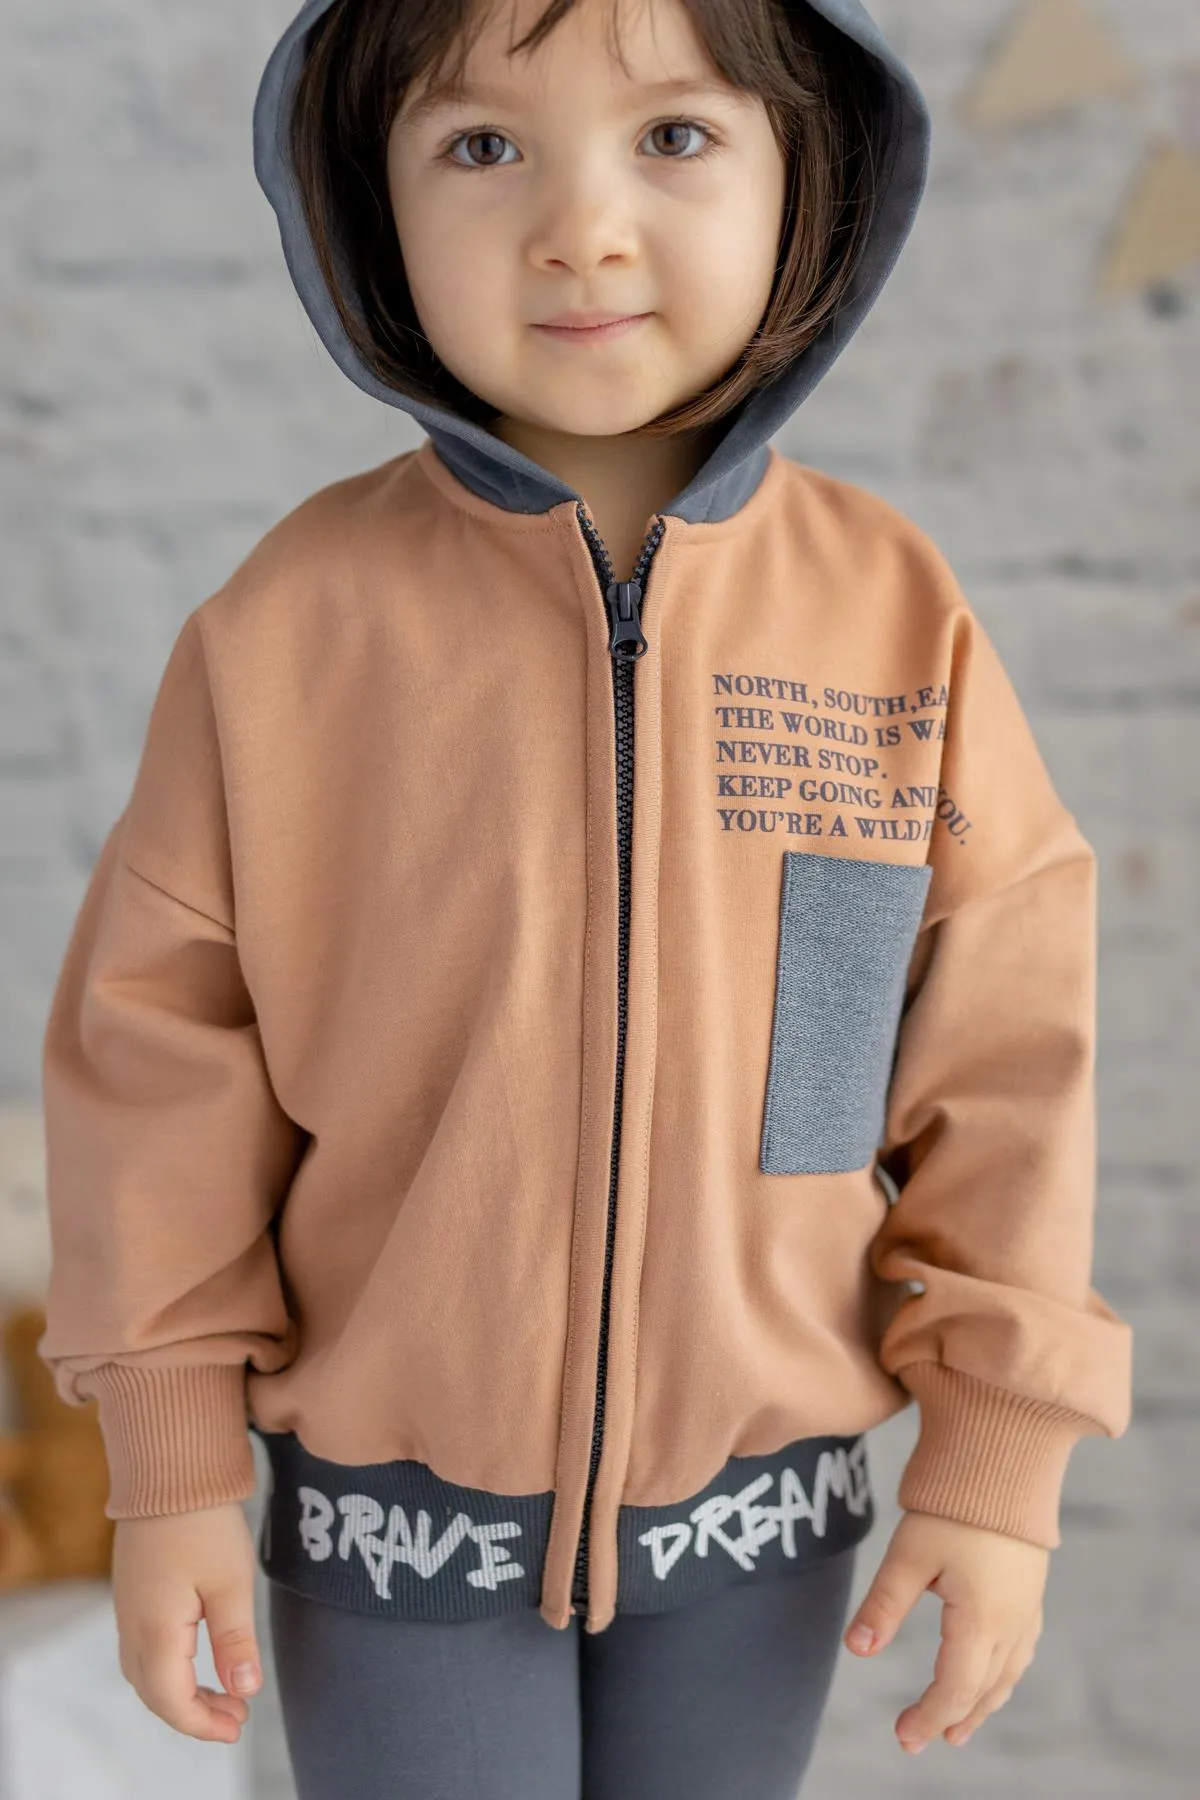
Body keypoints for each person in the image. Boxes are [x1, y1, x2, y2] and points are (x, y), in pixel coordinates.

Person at [35, 0, 1134, 1795]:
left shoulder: (892, 618)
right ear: (366, 199)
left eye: (674, 137)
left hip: (761, 1513)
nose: (581, 228)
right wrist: (169, 1467)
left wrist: (996, 1457)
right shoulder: (289, 630)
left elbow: (1007, 1058)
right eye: (482, 146)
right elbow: (158, 1060)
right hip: (394, 1522)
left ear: (808, 173)